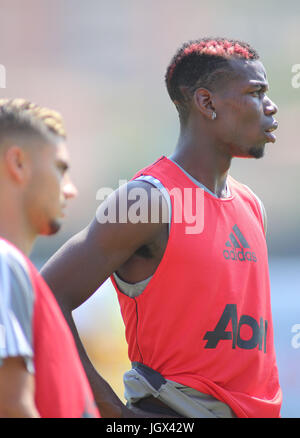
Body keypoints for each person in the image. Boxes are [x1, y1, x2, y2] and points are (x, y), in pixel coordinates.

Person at [41, 38, 282, 418]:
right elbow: (44, 296)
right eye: (256, 92)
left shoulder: (252, 205)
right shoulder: (149, 200)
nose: (271, 107)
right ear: (207, 103)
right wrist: (108, 409)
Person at [0, 99, 100, 418]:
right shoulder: (4, 263)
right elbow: (12, 405)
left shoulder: (18, 269)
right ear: (18, 164)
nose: (70, 190)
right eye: (60, 168)